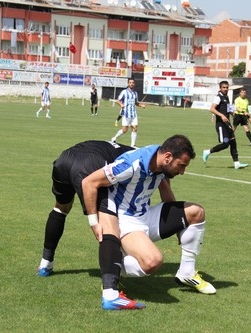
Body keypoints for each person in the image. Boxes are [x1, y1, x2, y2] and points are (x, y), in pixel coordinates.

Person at [82, 135, 217, 310]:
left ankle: (186, 273)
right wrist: (94, 222)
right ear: (168, 157)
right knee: (153, 262)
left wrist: (179, 224)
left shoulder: (161, 165)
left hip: (146, 215)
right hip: (127, 222)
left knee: (196, 212)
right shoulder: (131, 164)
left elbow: (166, 194)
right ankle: (112, 269)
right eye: (182, 165)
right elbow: (89, 182)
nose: (182, 171)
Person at [37, 140, 143, 310]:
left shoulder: (118, 148)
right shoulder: (141, 158)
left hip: (64, 159)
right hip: (89, 165)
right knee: (108, 221)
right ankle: (110, 292)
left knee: (61, 208)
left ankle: (45, 264)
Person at [202, 81, 248, 169]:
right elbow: (212, 109)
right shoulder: (218, 97)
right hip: (221, 125)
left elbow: (227, 108)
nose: (225, 89)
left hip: (227, 124)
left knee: (233, 142)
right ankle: (207, 152)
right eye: (224, 87)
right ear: (220, 88)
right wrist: (221, 115)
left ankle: (236, 163)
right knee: (225, 144)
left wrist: (231, 113)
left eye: (227, 87)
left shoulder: (226, 97)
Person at [111, 78, 145, 147]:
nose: (131, 84)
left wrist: (141, 105)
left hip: (133, 114)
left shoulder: (135, 93)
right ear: (128, 83)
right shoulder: (124, 92)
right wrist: (121, 105)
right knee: (124, 130)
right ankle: (114, 138)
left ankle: (133, 145)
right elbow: (118, 100)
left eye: (132, 82)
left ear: (134, 84)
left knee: (135, 129)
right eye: (130, 82)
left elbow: (136, 103)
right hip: (126, 114)